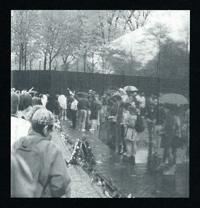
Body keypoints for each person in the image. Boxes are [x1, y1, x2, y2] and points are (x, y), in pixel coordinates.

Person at [11, 107, 71, 197]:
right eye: (51, 130)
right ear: (46, 129)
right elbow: (60, 184)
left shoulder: (17, 144)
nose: (51, 133)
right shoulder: (52, 149)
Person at [158, 105, 181, 175]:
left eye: (165, 108)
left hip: (170, 136)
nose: (164, 110)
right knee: (172, 151)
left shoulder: (170, 116)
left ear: (168, 109)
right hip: (175, 136)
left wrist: (162, 131)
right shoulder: (175, 116)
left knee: (168, 151)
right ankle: (170, 166)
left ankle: (171, 169)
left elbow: (170, 128)